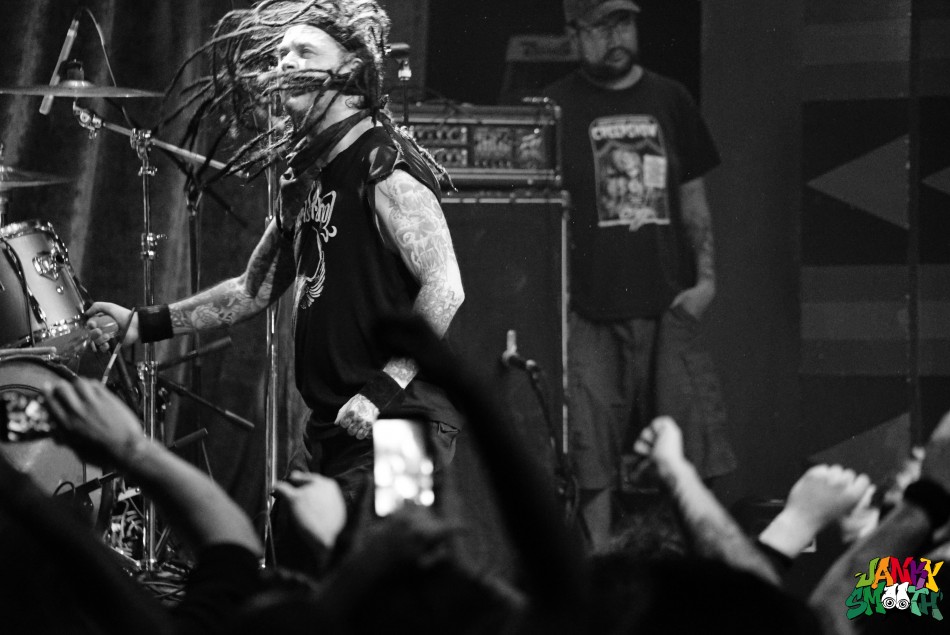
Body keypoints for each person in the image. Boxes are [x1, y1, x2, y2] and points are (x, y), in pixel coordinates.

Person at [88, 0, 465, 508]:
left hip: (402, 420)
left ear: (350, 68)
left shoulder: (383, 164)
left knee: (383, 558)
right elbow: (253, 289)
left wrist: (380, 390)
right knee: (292, 542)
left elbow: (445, 286)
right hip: (335, 427)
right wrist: (142, 324)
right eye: (281, 53)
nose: (285, 62)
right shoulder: (309, 176)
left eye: (304, 52)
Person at [542, 0, 737, 549]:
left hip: (667, 306)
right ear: (575, 35)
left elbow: (693, 198)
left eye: (624, 22)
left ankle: (694, 578)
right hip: (590, 311)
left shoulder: (670, 98)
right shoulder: (554, 107)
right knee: (588, 462)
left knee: (695, 453)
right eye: (601, 26)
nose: (616, 36)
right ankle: (599, 578)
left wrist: (706, 283)